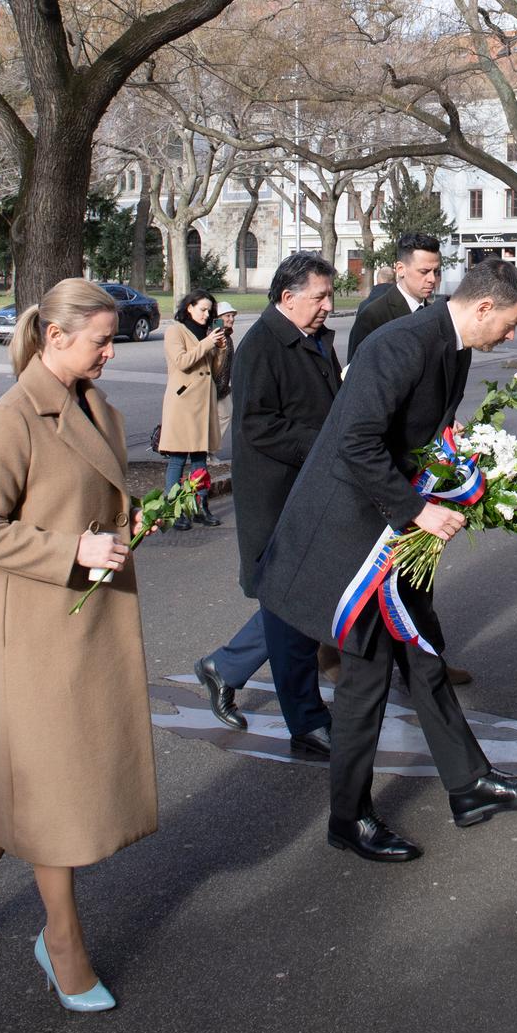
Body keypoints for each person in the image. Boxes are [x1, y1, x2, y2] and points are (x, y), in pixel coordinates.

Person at [257, 258, 517, 864]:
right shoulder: (399, 344)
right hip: (353, 535)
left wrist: (463, 456)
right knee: (366, 680)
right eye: (513, 323)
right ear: (484, 308)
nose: (513, 336)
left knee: (424, 656)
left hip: (393, 536)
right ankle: (348, 818)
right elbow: (355, 441)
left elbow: (421, 428)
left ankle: (469, 786)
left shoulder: (455, 346)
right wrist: (417, 509)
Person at [0, 279, 156, 1013]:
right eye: (99, 338)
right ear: (55, 337)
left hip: (87, 622)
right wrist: (75, 548)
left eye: (112, 337)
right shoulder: (13, 415)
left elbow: (94, 503)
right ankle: (61, 941)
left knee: (44, 780)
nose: (109, 349)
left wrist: (123, 529)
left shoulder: (100, 405)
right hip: (35, 630)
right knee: (57, 789)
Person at [193, 254, 343, 758]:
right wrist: (324, 444)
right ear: (287, 298)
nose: (329, 306)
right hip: (278, 499)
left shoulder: (314, 337)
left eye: (328, 295)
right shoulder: (261, 345)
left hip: (311, 492)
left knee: (294, 603)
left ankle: (226, 667)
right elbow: (257, 426)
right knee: (292, 608)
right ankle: (306, 723)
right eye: (320, 297)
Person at [158, 290, 227, 530]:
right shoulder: (175, 331)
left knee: (200, 460)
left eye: (210, 311)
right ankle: (174, 510)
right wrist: (208, 343)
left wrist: (219, 349)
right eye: (203, 310)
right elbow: (182, 361)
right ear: (189, 307)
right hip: (183, 403)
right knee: (177, 458)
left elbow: (214, 372)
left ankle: (200, 506)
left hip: (203, 402)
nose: (207, 315)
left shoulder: (206, 334)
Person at [345, 231, 442, 361]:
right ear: (400, 269)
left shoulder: (434, 315)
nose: (432, 279)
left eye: (436, 271)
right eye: (424, 272)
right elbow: (356, 372)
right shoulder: (373, 316)